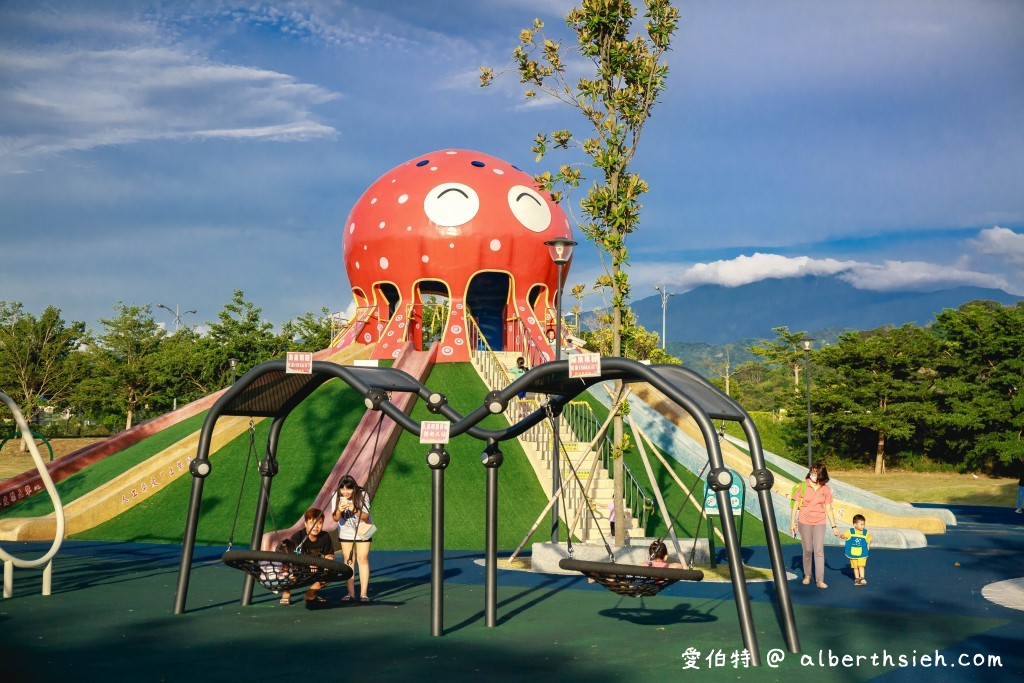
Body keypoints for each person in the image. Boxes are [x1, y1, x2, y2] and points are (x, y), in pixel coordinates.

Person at [789, 462, 841, 589]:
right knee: (808, 549)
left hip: (819, 521)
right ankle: (807, 575)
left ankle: (819, 580)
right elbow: (795, 505)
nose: (813, 474)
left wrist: (834, 527)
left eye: (815, 472)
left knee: (818, 550)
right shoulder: (803, 486)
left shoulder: (826, 489)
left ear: (821, 474)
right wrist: (792, 522)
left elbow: (828, 508)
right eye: (812, 471)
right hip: (804, 521)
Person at [332, 474, 373, 603]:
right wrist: (339, 510)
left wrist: (353, 508)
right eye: (342, 489)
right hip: (346, 530)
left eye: (348, 489)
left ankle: (364, 594)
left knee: (363, 558)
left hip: (364, 528)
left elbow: (365, 516)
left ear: (354, 488)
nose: (345, 492)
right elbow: (335, 518)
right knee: (348, 559)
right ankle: (350, 593)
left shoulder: (362, 494)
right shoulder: (336, 496)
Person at [297, 507, 335, 606]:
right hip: (298, 568)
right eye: (312, 523)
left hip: (316, 568)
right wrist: (310, 562)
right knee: (286, 571)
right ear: (305, 524)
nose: (316, 526)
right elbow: (292, 557)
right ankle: (286, 593)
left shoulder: (325, 536)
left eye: (319, 523)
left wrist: (328, 562)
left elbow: (329, 554)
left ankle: (310, 593)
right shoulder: (298, 537)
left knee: (332, 571)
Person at [840, 514, 872, 586]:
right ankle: (857, 579)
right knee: (855, 567)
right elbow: (844, 536)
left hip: (862, 552)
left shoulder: (865, 532)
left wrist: (869, 544)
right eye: (861, 524)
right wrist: (840, 535)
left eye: (863, 524)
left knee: (861, 565)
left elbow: (869, 538)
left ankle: (862, 578)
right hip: (853, 552)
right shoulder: (850, 532)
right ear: (855, 524)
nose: (863, 526)